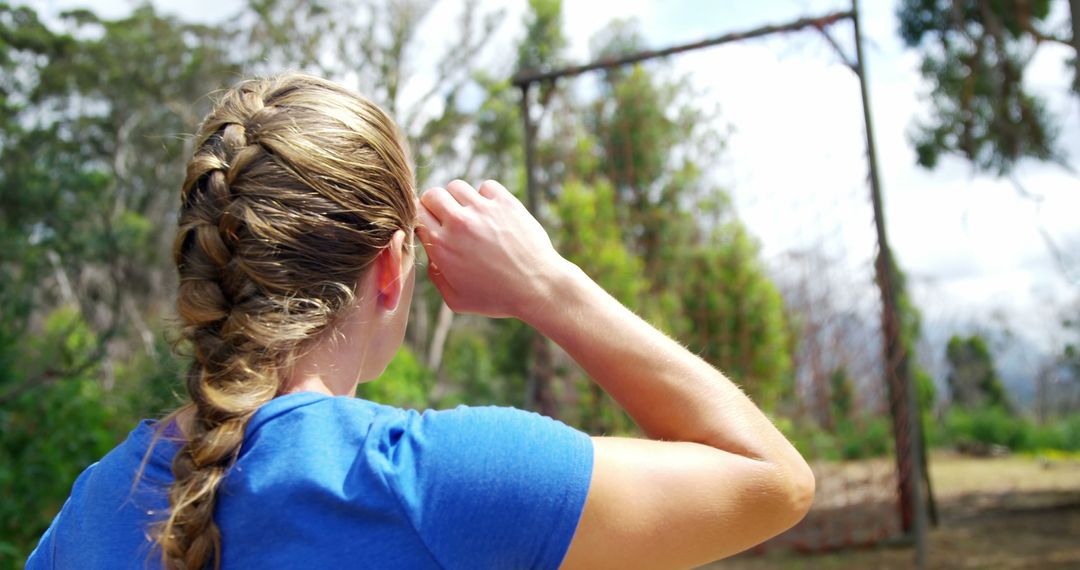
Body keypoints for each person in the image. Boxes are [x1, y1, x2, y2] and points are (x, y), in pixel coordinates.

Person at [26, 73, 813, 570]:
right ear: (393, 268)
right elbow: (772, 482)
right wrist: (549, 284)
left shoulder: (93, 508)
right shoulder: (441, 481)